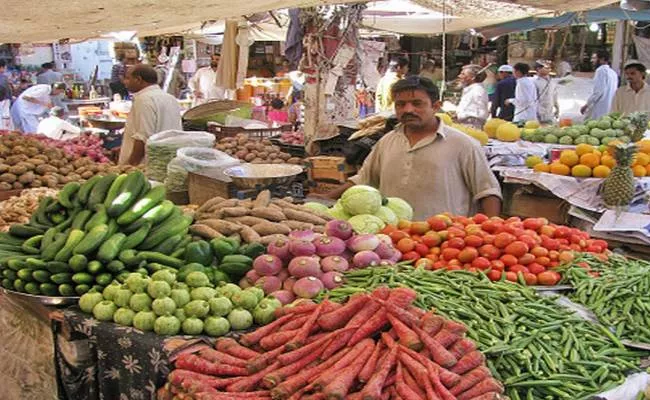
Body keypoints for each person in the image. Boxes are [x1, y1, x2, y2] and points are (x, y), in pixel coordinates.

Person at [323, 76, 502, 219]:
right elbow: (363, 180)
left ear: (435, 106)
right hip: (394, 239)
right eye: (401, 104)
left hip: (446, 244)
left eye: (417, 103)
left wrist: (490, 233)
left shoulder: (463, 144)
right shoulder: (387, 142)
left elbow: (487, 192)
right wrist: (323, 202)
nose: (408, 110)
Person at [119, 65, 182, 166]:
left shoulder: (144, 100)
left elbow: (143, 138)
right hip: (168, 161)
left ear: (138, 79)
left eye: (127, 78)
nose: (124, 82)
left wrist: (130, 165)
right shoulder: (170, 98)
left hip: (147, 166)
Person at [581, 50, 619, 120]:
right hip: (609, 109)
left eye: (594, 58)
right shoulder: (613, 73)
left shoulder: (601, 71)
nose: (592, 61)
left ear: (602, 59)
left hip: (600, 109)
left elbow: (598, 92)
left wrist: (587, 105)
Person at [0, 61, 12, 130]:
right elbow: (3, 88)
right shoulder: (2, 77)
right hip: (3, 99)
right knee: (4, 119)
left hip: (3, 99)